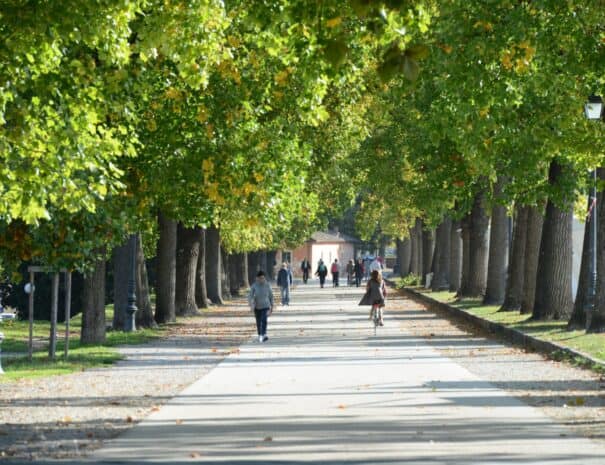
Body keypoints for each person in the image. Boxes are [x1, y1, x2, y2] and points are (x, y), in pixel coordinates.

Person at [248, 270, 274, 342]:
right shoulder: (254, 286)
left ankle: (264, 334)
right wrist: (251, 304)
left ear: (264, 278)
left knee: (264, 320)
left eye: (263, 278)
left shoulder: (267, 285)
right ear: (257, 278)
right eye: (260, 278)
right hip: (257, 307)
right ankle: (260, 334)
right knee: (258, 321)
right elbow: (250, 296)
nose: (261, 280)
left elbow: (271, 296)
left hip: (266, 306)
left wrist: (272, 306)